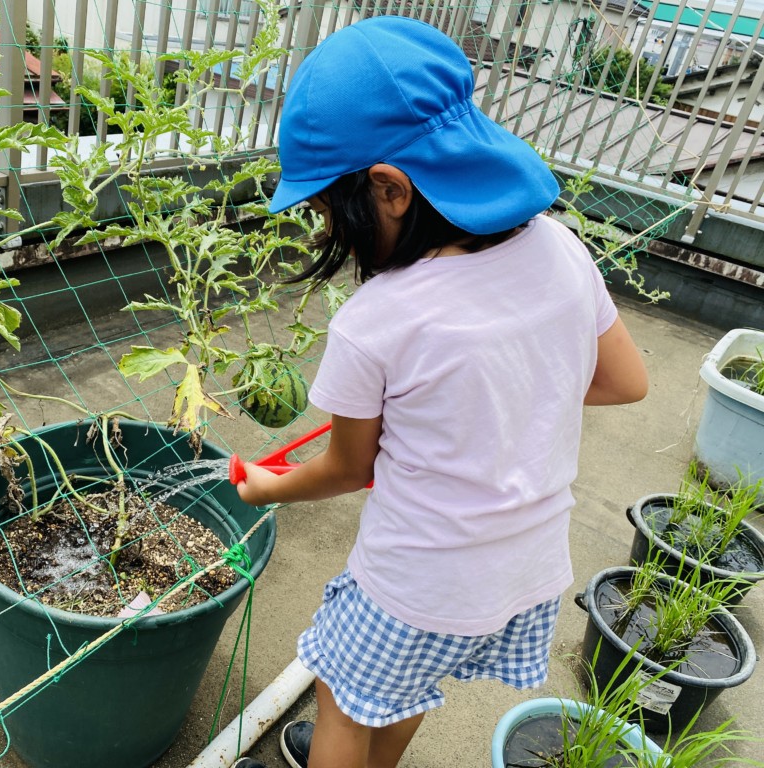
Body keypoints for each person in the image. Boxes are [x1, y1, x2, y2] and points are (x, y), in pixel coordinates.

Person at [230, 15, 648, 768]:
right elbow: (626, 381)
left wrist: (266, 487)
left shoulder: (379, 319)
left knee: (342, 695)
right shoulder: (560, 247)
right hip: (524, 569)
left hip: (419, 578)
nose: (328, 232)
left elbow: (348, 468)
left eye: (326, 212)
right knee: (408, 687)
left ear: (389, 191)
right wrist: (508, 395)